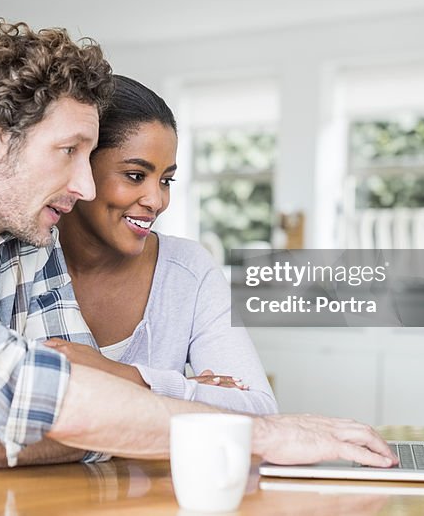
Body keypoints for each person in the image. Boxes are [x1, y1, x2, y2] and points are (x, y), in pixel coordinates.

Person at [0, 21, 397, 477]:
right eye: (69, 153)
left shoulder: (24, 242)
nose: (85, 187)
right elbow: (31, 394)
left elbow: (92, 421)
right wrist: (266, 435)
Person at [43, 76, 277, 414]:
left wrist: (125, 376)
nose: (156, 200)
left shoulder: (188, 270)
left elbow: (259, 410)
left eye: (166, 180)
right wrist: (186, 393)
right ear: (81, 166)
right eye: (136, 176)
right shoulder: (21, 259)